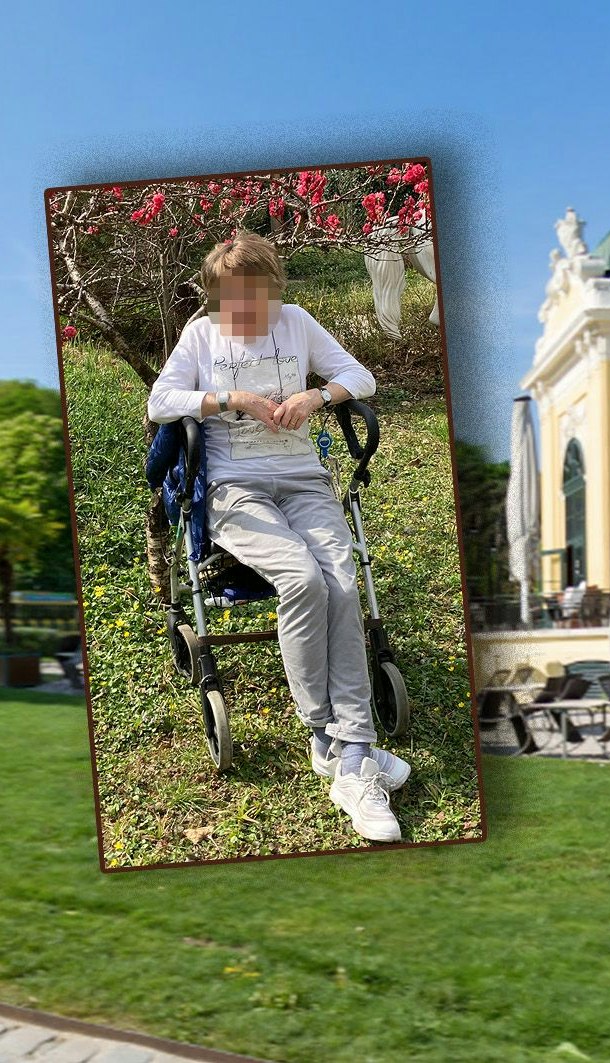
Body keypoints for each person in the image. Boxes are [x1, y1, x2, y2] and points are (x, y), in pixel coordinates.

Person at [148, 230, 408, 842]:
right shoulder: (200, 333)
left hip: (303, 480)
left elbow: (360, 377)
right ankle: (332, 738)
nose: (246, 312)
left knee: (342, 584)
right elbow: (162, 400)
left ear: (274, 290)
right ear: (217, 295)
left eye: (257, 298)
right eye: (233, 300)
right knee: (303, 579)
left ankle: (347, 752)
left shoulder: (295, 322)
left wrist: (316, 397)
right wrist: (226, 397)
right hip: (234, 488)